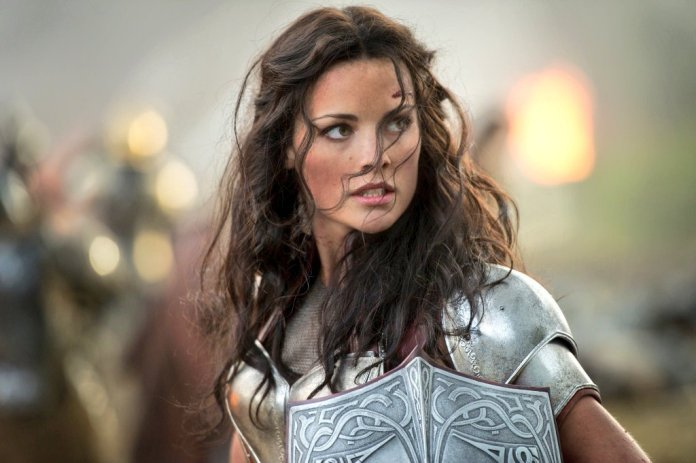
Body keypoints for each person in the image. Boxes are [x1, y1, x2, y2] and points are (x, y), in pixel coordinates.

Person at [199, 6, 650, 462]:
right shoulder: (265, 379)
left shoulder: (488, 319)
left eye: (397, 122)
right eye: (339, 129)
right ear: (286, 147)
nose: (375, 155)